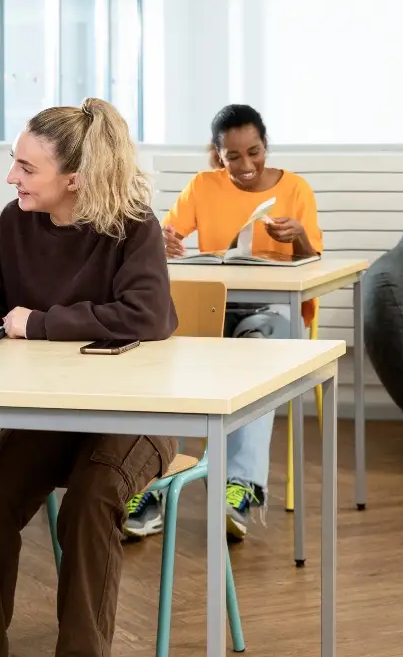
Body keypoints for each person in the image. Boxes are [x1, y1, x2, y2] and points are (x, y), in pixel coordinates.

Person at [0, 98, 176, 657]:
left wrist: (40, 323)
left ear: (75, 179)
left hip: (137, 414)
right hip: (51, 414)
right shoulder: (14, 222)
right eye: (15, 162)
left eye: (27, 168)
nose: (11, 176)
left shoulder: (133, 226)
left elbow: (149, 316)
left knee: (89, 505)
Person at [123, 103, 322, 542]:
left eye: (254, 152)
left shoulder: (296, 190)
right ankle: (147, 486)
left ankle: (242, 487)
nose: (246, 165)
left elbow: (313, 264)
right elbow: (167, 239)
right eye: (233, 156)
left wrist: (301, 240)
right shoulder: (203, 186)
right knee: (157, 361)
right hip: (211, 310)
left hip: (269, 316)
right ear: (217, 155)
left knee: (260, 361)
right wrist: (164, 238)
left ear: (266, 145)